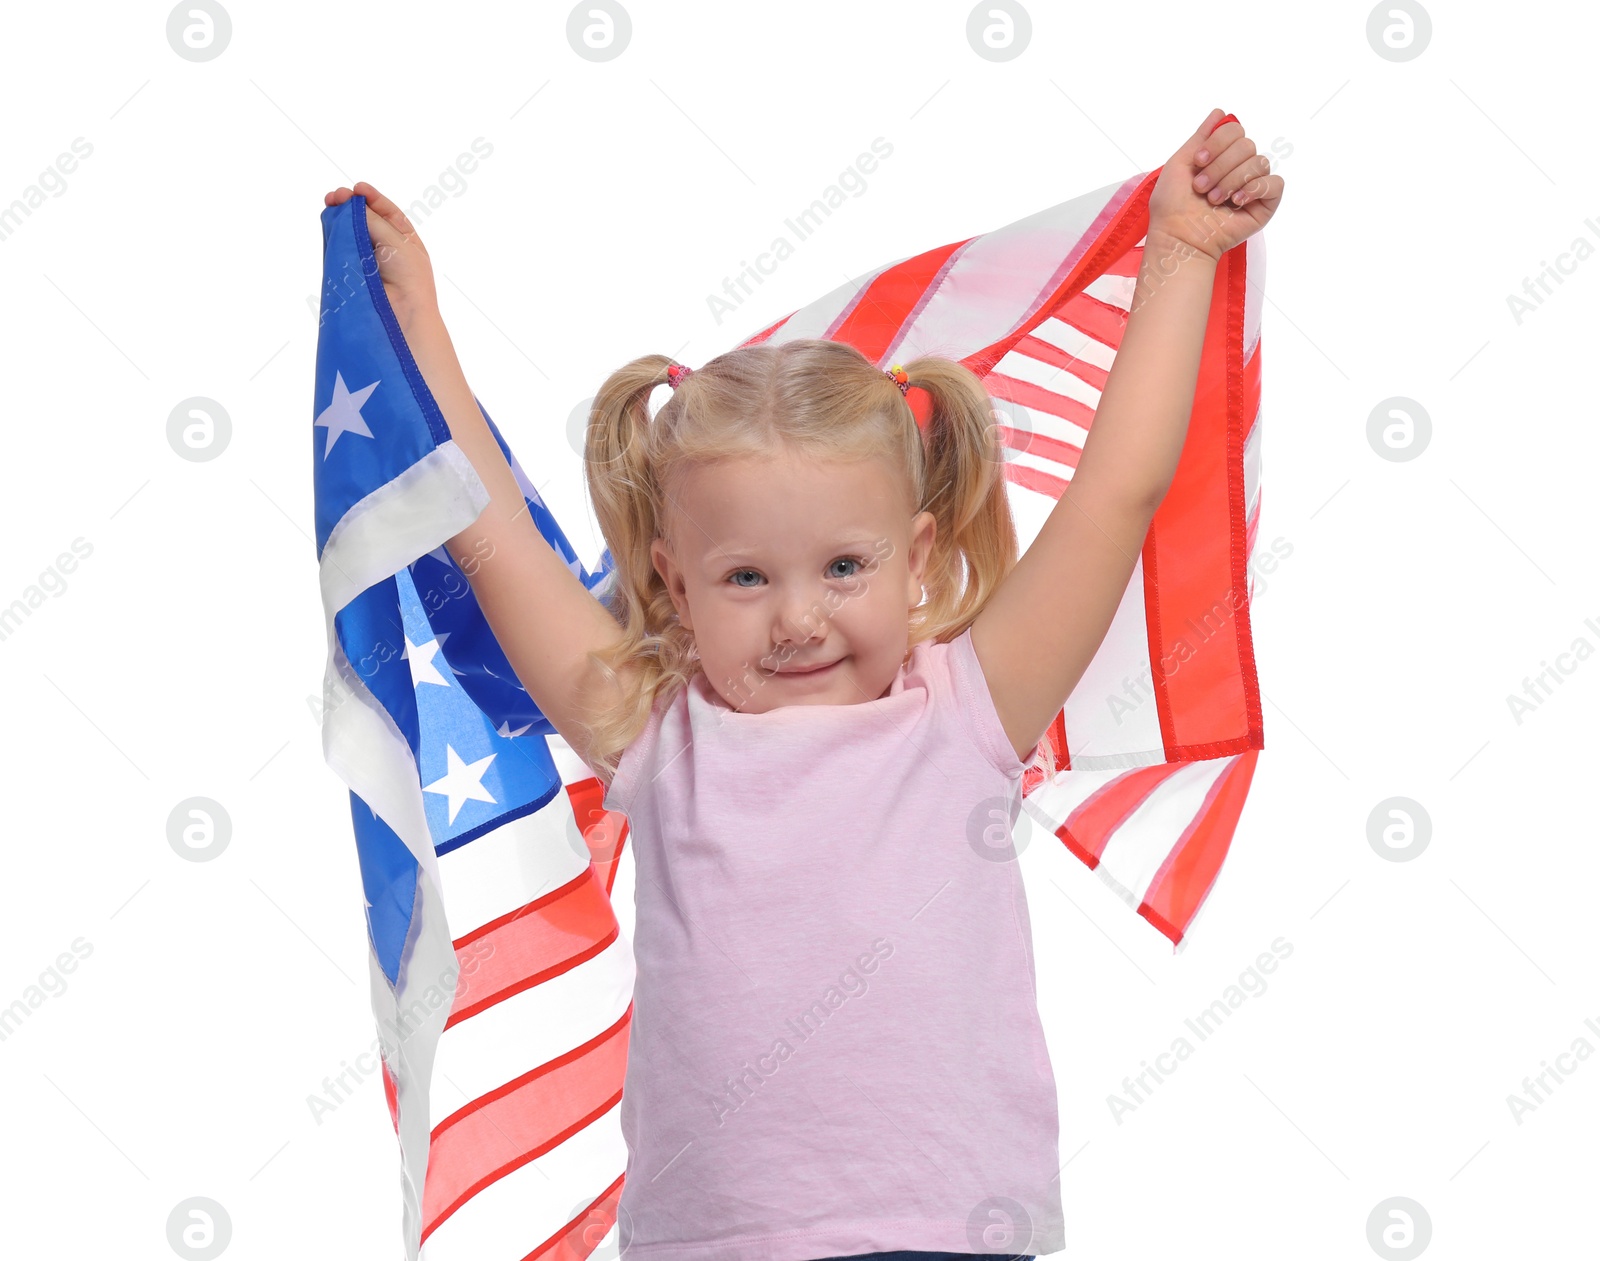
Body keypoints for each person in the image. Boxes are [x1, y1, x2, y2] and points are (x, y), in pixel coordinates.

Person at [324, 106, 1283, 1261]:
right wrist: (415, 322)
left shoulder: (968, 710)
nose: (797, 617)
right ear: (674, 584)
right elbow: (493, 545)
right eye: (743, 576)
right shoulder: (656, 735)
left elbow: (1115, 497)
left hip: (947, 1231)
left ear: (918, 557)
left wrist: (1179, 249)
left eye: (843, 566)